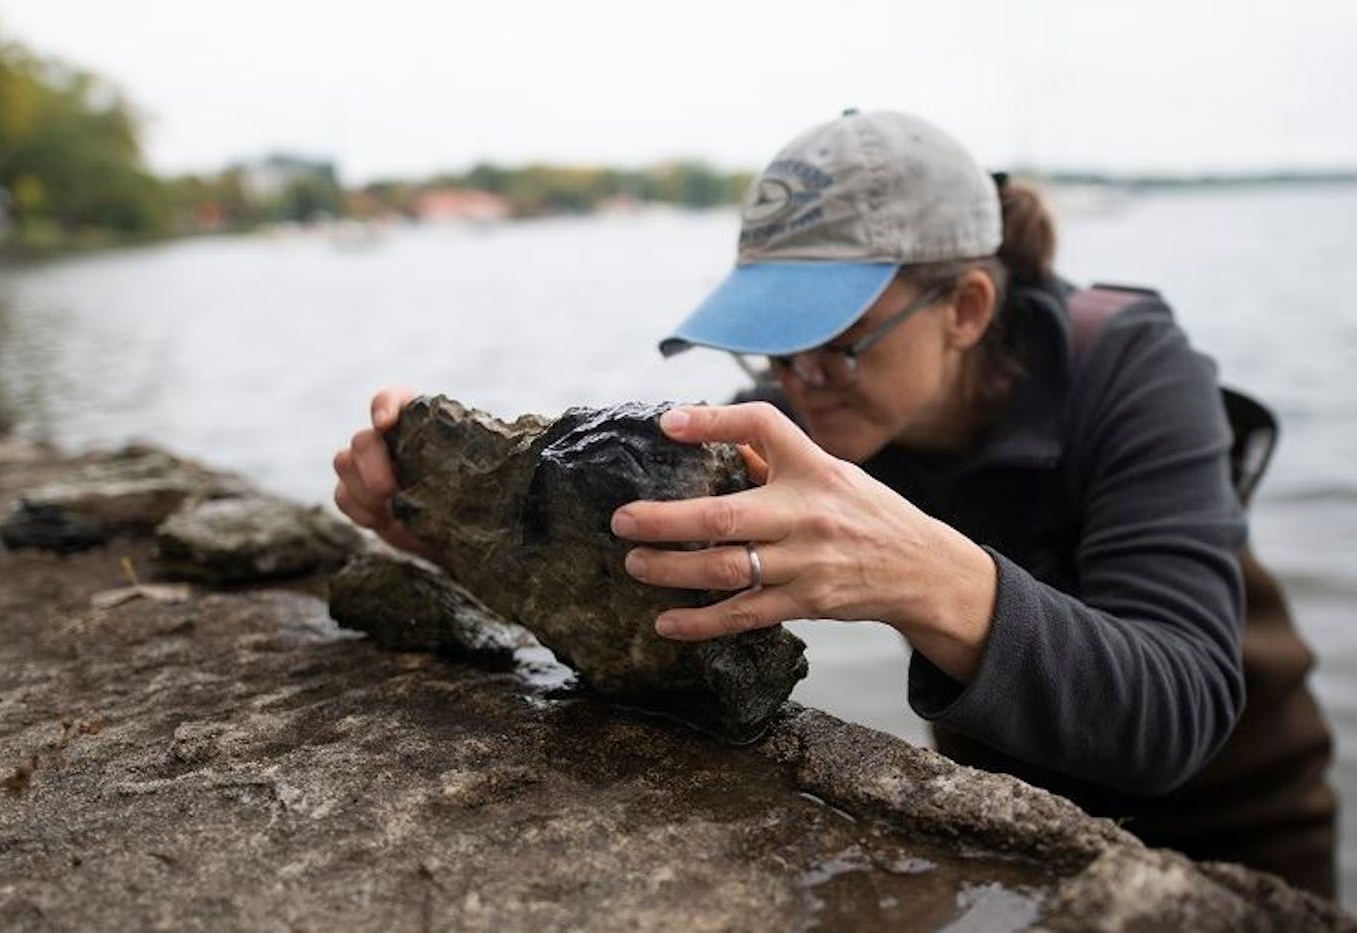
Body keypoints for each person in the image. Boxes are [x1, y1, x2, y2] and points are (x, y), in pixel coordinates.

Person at [333, 110, 1336, 897]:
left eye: (833, 342)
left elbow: (1177, 714)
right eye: (772, 343)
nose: (795, 381)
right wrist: (437, 520)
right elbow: (634, 563)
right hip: (1012, 805)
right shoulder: (794, 413)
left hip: (1237, 828)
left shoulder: (1132, 371)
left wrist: (918, 575)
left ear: (966, 309)